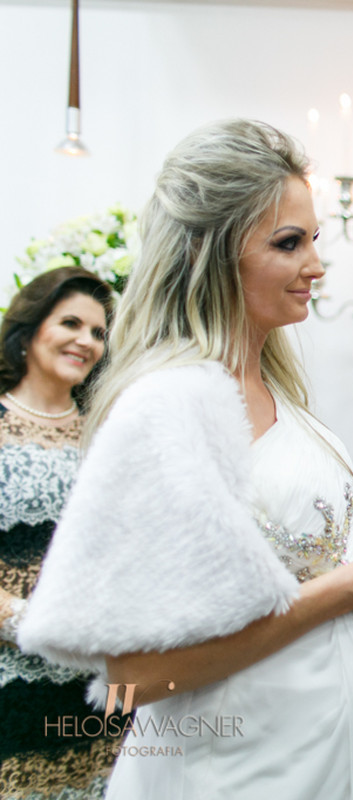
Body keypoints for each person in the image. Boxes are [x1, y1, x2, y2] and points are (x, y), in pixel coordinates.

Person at [17, 119, 353, 800]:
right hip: (239, 771)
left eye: (315, 240)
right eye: (288, 243)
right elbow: (135, 677)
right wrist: (350, 590)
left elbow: (287, 567)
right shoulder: (167, 405)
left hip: (325, 757)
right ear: (209, 253)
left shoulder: (280, 394)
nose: (317, 265)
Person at [1, 266, 117, 799]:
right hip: (9, 682)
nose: (85, 341)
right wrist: (35, 625)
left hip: (93, 685)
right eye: (70, 323)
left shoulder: (108, 433)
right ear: (28, 330)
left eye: (97, 332)